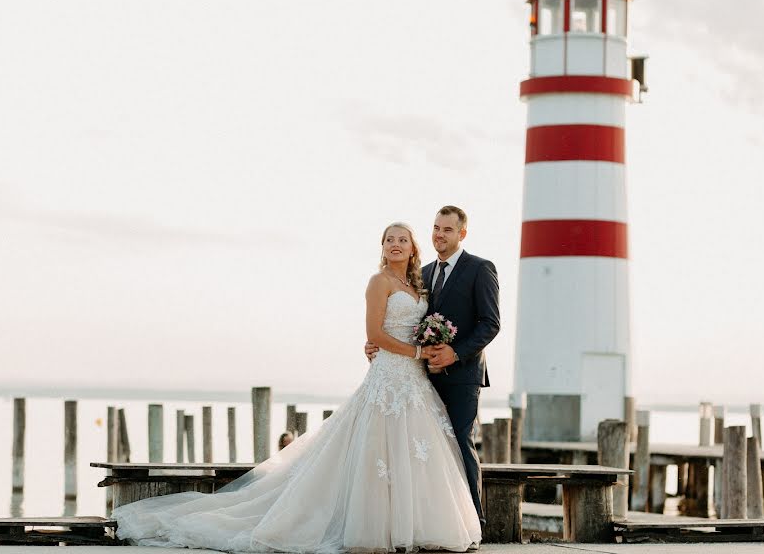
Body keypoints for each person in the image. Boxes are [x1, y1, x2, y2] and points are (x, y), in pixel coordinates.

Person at [111, 222, 481, 552]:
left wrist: (430, 345)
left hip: (415, 381)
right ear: (382, 247)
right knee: (376, 453)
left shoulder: (419, 284)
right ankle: (370, 528)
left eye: (403, 240)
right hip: (387, 377)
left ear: (413, 248)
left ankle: (416, 526)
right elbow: (374, 334)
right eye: (389, 240)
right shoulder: (379, 281)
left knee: (415, 453)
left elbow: (425, 324)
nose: (396, 245)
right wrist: (414, 349)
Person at [366, 205, 500, 531]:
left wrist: (455, 353)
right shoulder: (420, 275)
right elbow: (402, 323)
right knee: (424, 450)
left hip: (463, 375)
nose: (440, 235)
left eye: (448, 230)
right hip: (419, 376)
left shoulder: (480, 269)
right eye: (436, 228)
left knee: (457, 443)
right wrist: (375, 343)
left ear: (462, 234)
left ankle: (472, 522)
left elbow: (490, 324)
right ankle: (425, 522)